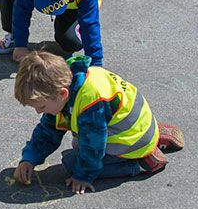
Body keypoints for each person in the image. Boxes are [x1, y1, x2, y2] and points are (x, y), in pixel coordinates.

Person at [12, 51, 185, 194]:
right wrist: (29, 159)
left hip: (133, 137)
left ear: (63, 94)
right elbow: (48, 130)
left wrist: (83, 176)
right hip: (135, 125)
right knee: (78, 144)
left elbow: (93, 146)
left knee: (72, 163)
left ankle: (142, 162)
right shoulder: (67, 81)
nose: (38, 111)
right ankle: (153, 135)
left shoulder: (90, 102)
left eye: (41, 106)